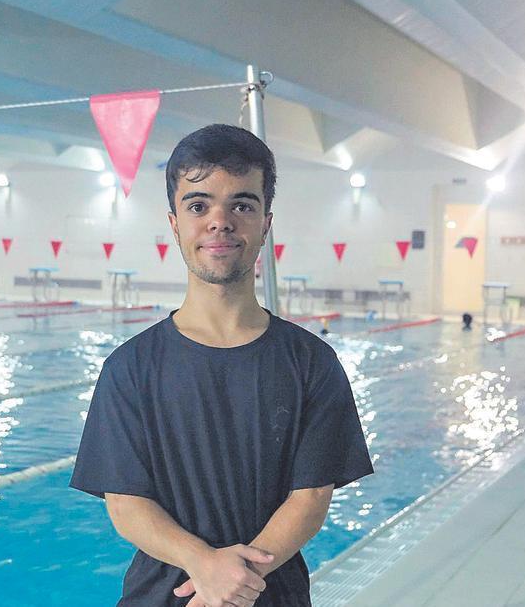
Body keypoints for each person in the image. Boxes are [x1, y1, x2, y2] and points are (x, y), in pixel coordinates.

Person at [71, 124, 374, 606]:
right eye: (198, 206)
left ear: (265, 223)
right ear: (174, 223)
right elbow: (126, 503)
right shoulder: (129, 368)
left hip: (270, 595)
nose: (220, 222)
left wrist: (236, 581)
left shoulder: (312, 363)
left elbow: (312, 497)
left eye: (242, 205)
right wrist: (204, 565)